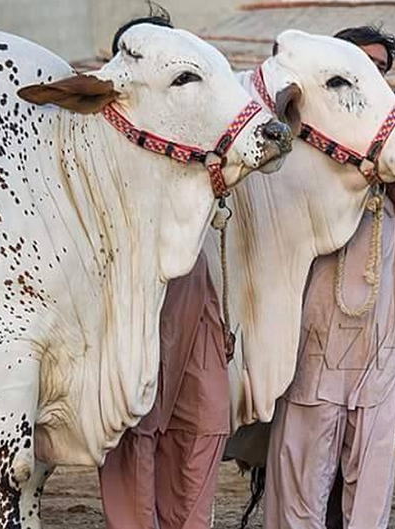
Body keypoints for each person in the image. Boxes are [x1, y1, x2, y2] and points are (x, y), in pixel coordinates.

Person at [263, 24, 395, 529]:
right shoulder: (304, 136)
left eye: (380, 69)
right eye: (362, 66)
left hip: (380, 327)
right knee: (303, 455)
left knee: (374, 459)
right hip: (318, 323)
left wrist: (381, 164)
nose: (373, 76)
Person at [97, 13, 233, 529]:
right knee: (138, 419)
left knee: (206, 419)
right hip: (136, 287)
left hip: (196, 285)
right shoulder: (104, 130)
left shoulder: (198, 121)